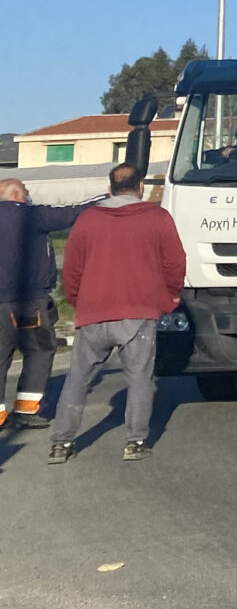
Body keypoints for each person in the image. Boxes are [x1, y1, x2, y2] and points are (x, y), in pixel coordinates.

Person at [48, 164, 185, 464]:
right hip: (138, 311)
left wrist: (76, 300)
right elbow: (175, 262)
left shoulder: (88, 220)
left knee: (78, 380)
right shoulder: (157, 217)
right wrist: (171, 295)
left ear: (109, 188)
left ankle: (61, 443)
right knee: (139, 379)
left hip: (93, 310)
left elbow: (72, 267)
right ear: (141, 189)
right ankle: (135, 441)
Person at [0, 179, 96, 428]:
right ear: (18, 194)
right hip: (28, 300)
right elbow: (71, 213)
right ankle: (27, 409)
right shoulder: (32, 215)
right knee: (39, 349)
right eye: (27, 192)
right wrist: (105, 199)